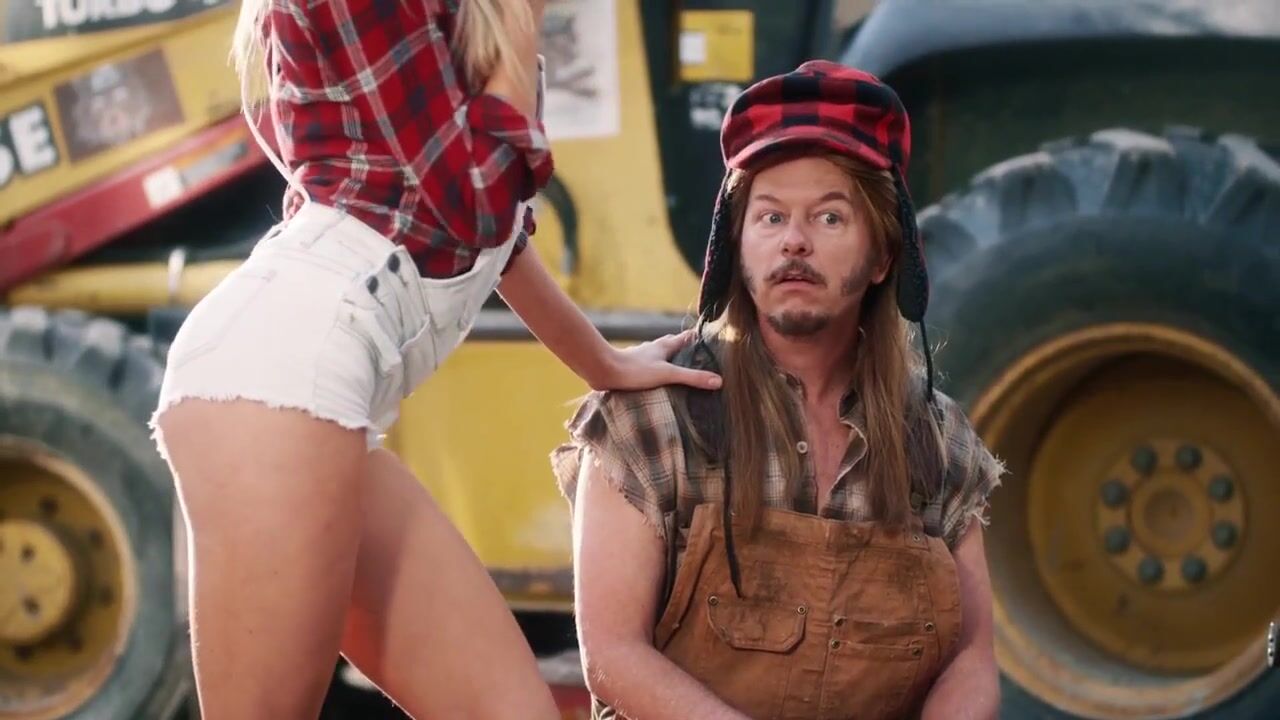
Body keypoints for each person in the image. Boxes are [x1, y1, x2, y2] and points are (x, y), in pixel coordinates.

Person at [148, 1, 721, 718]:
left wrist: (604, 363)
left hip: (310, 383)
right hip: (275, 371)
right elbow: (477, 205)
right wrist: (519, 26)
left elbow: (496, 235)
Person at [552, 61, 1006, 720]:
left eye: (829, 218)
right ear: (736, 248)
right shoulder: (651, 421)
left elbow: (972, 658)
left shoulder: (938, 443)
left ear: (884, 257)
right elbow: (613, 655)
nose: (794, 241)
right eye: (769, 218)